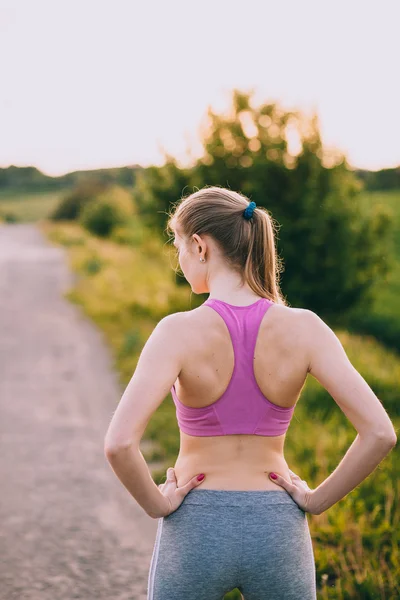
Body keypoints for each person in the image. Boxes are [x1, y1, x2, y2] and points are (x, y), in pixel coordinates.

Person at [104, 186, 397, 600]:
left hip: (196, 527)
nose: (180, 261)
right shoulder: (306, 327)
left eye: (179, 248)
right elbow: (381, 433)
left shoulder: (176, 332)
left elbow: (119, 444)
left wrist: (158, 505)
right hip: (277, 526)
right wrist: (315, 502)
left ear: (200, 246)